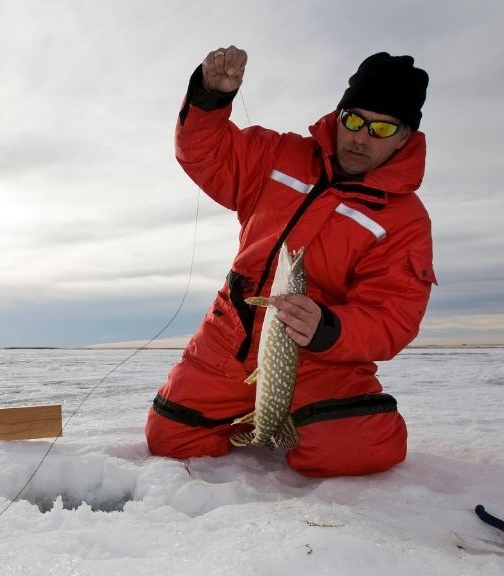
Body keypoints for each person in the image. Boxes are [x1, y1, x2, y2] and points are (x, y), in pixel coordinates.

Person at [145, 46, 436, 477]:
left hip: (321, 360)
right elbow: (204, 154)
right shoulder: (277, 154)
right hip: (232, 335)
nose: (360, 137)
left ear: (404, 137)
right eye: (353, 120)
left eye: (380, 128)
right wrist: (210, 97)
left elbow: (393, 318)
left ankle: (296, 419)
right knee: (170, 439)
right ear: (338, 116)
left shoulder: (404, 220)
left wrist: (328, 328)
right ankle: (254, 417)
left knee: (361, 446)